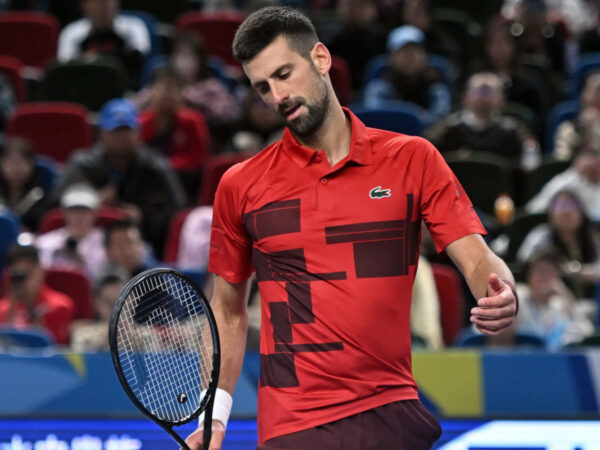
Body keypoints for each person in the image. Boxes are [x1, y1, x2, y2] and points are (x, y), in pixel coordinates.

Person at [185, 7, 518, 450]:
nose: (277, 95)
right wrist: (216, 415)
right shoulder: (240, 185)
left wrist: (500, 291)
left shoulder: (412, 159)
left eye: (285, 74)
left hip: (390, 412)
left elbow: (476, 257)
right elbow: (227, 309)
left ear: (320, 59)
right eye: (262, 87)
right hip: (292, 426)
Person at [55, 98, 186, 256]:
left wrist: (143, 217)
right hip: (87, 248)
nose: (122, 138)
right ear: (102, 133)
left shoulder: (154, 167)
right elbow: (57, 204)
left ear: (137, 132)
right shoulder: (83, 165)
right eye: (116, 131)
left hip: (143, 248)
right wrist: (93, 204)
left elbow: (177, 209)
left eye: (127, 131)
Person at [426, 72, 539, 170]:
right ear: (466, 97)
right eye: (479, 92)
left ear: (502, 98)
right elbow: (427, 155)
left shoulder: (513, 130)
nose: (484, 99)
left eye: (490, 92)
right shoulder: (449, 128)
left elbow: (529, 158)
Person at [362, 24, 451, 121]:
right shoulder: (381, 83)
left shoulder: (435, 83)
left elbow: (441, 116)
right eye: (404, 52)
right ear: (391, 57)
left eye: (415, 51)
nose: (410, 57)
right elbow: (375, 113)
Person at [57, 0, 150, 87]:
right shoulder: (71, 32)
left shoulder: (135, 27)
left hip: (125, 91)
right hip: (83, 87)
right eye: (98, 2)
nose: (105, 7)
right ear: (84, 5)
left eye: (108, 1)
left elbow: (140, 60)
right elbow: (65, 67)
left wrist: (94, 58)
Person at [0, 244, 75, 345]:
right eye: (19, 275)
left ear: (40, 271)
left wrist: (30, 305)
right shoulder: (2, 309)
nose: (25, 280)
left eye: (28, 272)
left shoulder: (61, 306)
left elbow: (55, 345)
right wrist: (11, 307)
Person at [35, 183, 107, 279]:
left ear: (95, 213)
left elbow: (105, 278)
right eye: (74, 211)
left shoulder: (106, 242)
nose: (79, 217)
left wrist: (81, 260)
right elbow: (39, 274)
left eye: (85, 211)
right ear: (64, 213)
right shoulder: (46, 242)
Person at [0, 137, 51, 231]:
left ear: (32, 165)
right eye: (11, 163)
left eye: (22, 163)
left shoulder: (40, 196)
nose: (16, 169)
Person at [70, 268, 128, 351]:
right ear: (96, 302)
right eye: (109, 302)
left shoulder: (149, 337)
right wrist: (104, 342)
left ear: (132, 298)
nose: (116, 309)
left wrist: (133, 341)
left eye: (121, 301)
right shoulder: (82, 337)